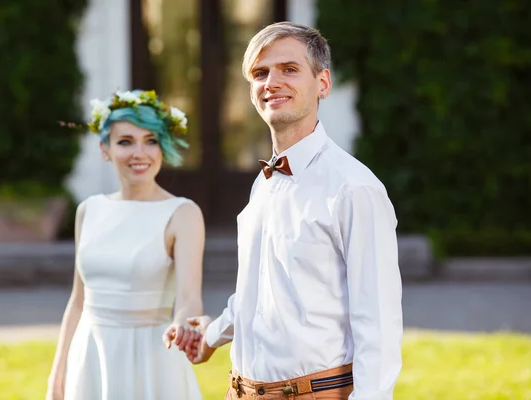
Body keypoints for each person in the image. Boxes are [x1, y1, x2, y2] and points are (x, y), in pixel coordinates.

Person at [186, 22, 403, 400]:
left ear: (323, 83)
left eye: (289, 69)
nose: (272, 81)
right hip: (240, 392)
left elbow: (378, 321)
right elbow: (258, 290)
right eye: (260, 72)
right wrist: (210, 337)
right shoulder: (264, 182)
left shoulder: (354, 188)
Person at [46, 89, 204, 400]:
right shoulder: (88, 210)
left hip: (152, 359)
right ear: (105, 148)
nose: (139, 153)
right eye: (125, 142)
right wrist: (58, 372)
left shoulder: (183, 213)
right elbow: (78, 301)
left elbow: (189, 298)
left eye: (151, 140)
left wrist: (183, 324)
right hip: (91, 355)